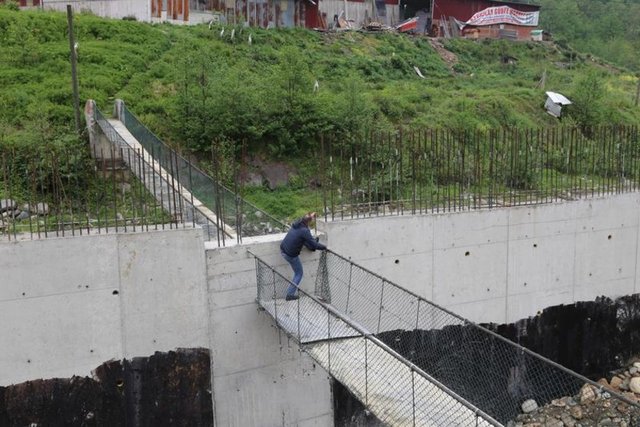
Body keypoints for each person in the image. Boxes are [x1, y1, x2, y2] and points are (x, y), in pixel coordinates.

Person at [280, 212, 327, 301]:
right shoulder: (304, 231)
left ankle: (311, 246)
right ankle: (290, 295)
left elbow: (304, 220)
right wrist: (324, 247)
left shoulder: (296, 224)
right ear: (308, 222)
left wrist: (311, 216)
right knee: (299, 273)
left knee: (305, 240)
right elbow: (314, 244)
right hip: (290, 255)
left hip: (283, 249)